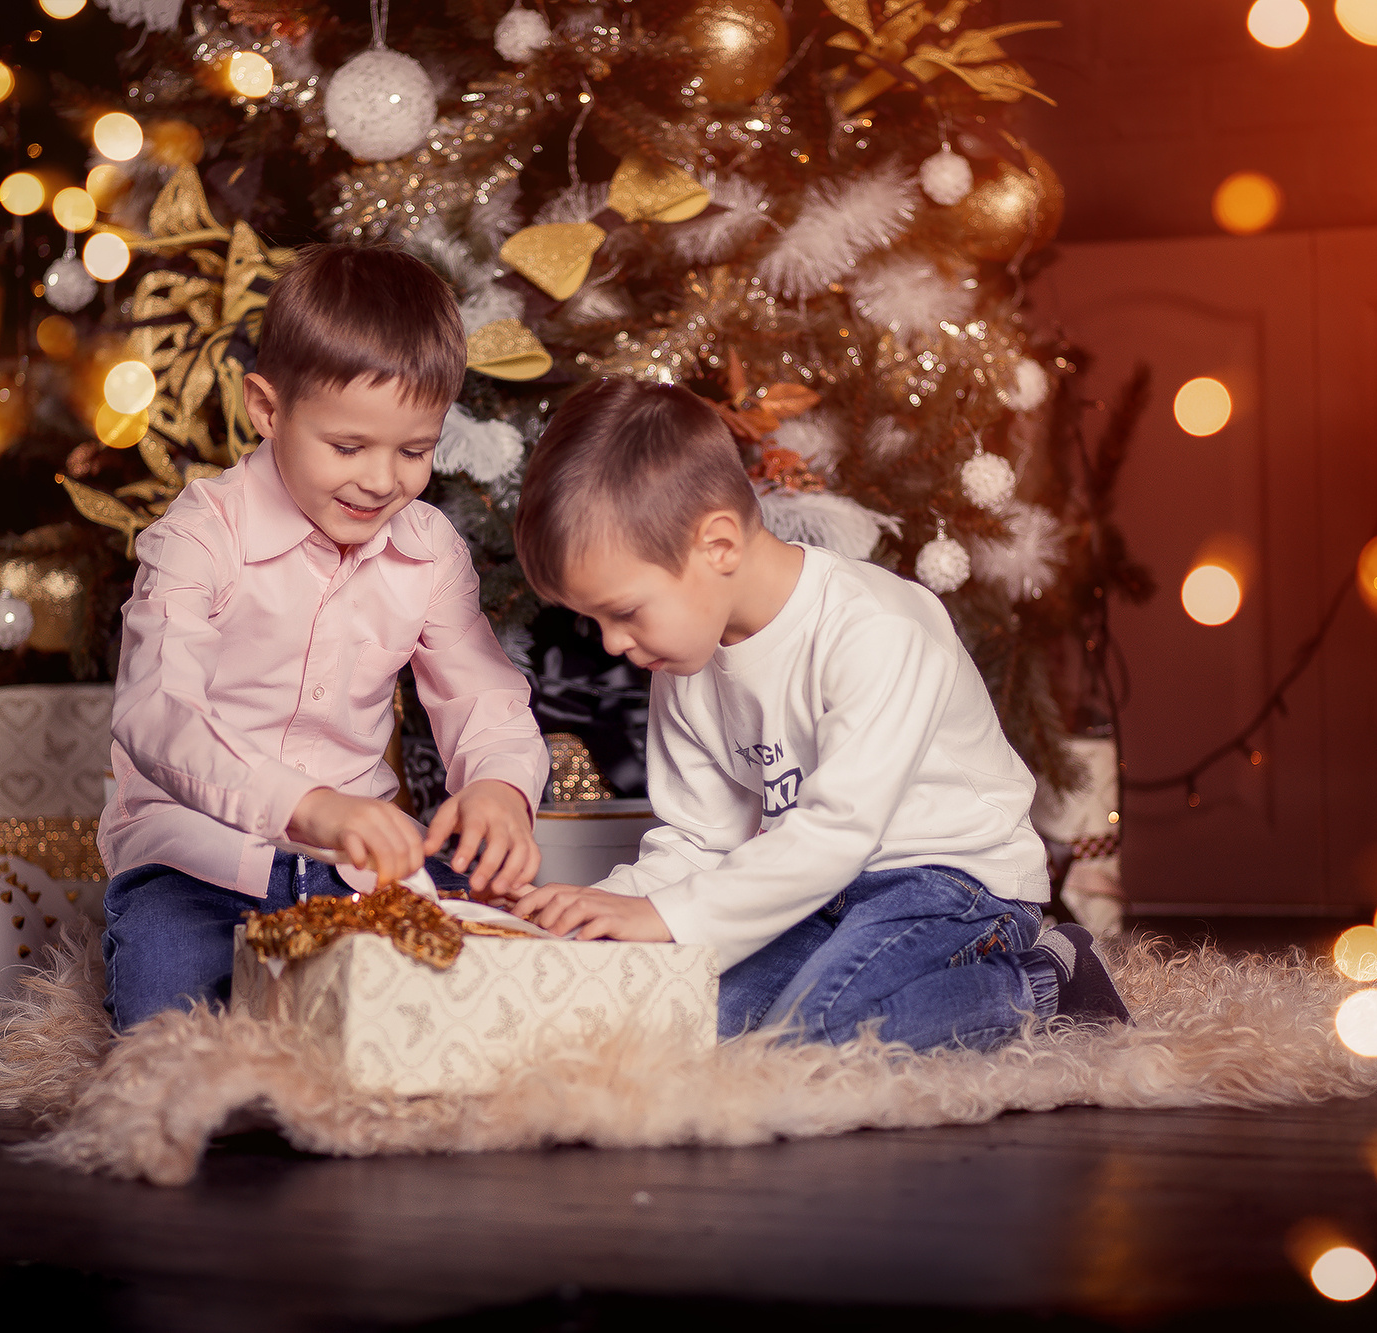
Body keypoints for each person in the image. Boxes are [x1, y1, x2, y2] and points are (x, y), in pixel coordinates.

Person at [497, 376, 1129, 1051]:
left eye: (622, 612)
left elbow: (836, 835)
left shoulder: (876, 628)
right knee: (693, 1020)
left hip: (951, 882)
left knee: (820, 1035)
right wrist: (599, 907)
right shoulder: (681, 662)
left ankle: (1041, 983)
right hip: (814, 891)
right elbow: (698, 840)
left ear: (717, 546)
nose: (614, 644)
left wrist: (663, 913)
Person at [98, 244, 549, 1029]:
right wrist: (306, 807)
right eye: (348, 447)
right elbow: (156, 713)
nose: (382, 480)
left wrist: (502, 789)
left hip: (363, 864)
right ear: (268, 410)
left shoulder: (429, 546)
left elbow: (483, 695)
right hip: (194, 862)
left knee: (479, 996)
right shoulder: (200, 536)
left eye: (415, 450)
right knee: (164, 1025)